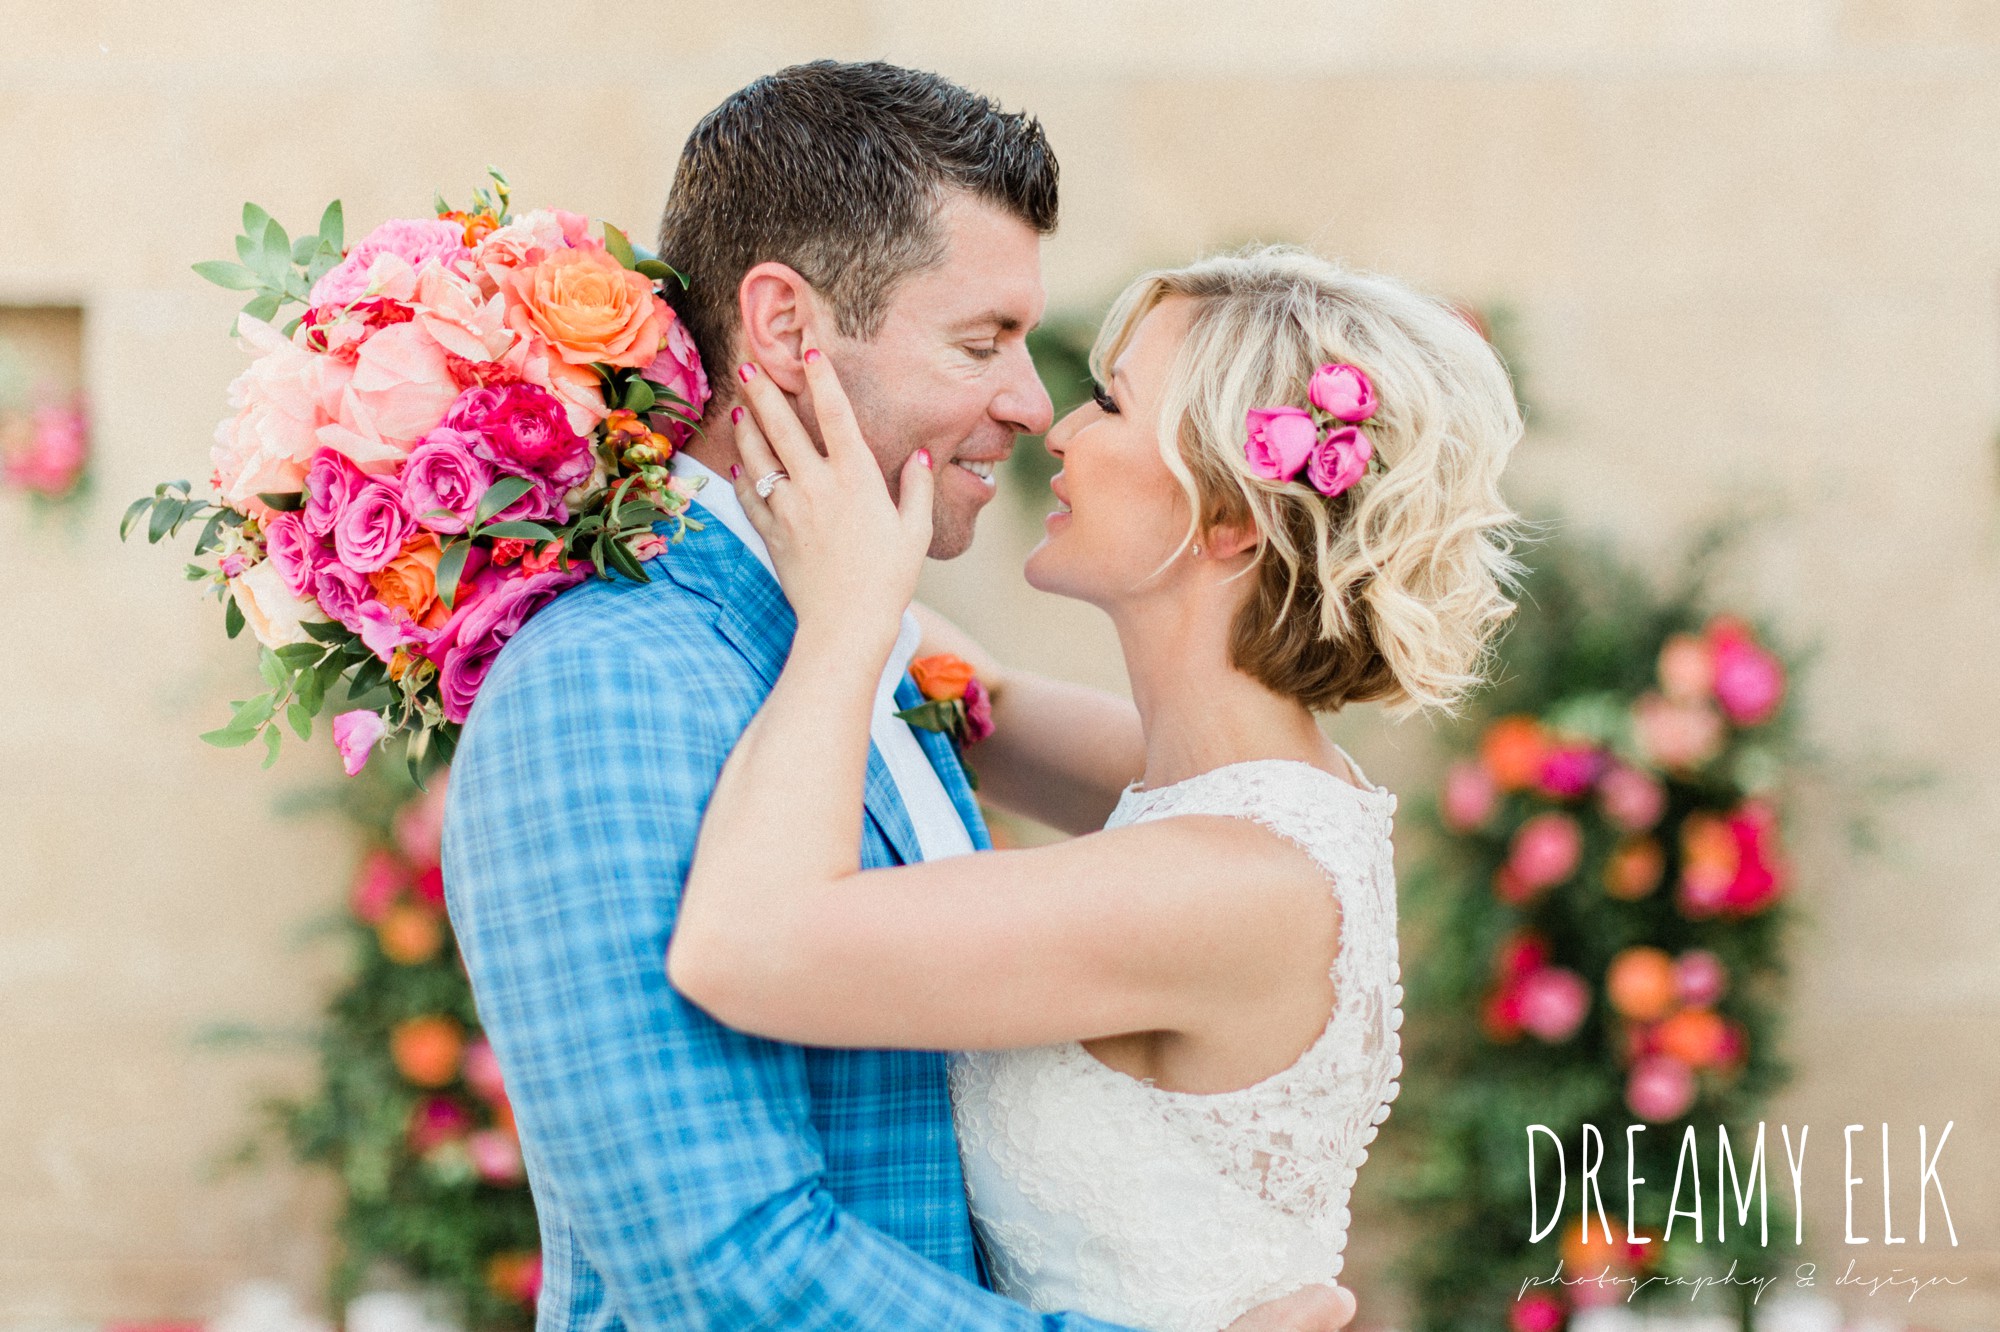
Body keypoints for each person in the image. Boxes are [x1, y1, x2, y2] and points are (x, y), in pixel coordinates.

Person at [443, 61, 1358, 1332]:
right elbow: (719, 1274)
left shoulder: (857, 633)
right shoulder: (609, 679)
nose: (1033, 406)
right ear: (782, 331)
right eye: (980, 343)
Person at [667, 246, 1524, 1331]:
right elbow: (981, 697)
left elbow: (742, 947)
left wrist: (840, 621)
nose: (1055, 428)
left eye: (1110, 403)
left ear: (1226, 521)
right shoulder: (1231, 789)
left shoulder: (1229, 886)